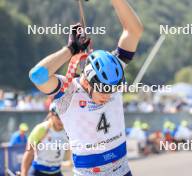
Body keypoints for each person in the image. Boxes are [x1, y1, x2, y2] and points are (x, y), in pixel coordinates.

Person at [28, 0, 143, 175]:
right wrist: (70, 50)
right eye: (104, 91)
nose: (109, 96)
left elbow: (134, 31)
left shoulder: (112, 73)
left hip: (123, 169)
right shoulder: (68, 91)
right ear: (88, 82)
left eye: (113, 91)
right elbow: (37, 76)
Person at [21, 103, 70, 176]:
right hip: (38, 172)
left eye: (63, 117)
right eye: (58, 117)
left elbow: (68, 153)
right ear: (51, 114)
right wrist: (23, 174)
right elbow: (28, 153)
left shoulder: (68, 131)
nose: (61, 121)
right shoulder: (41, 129)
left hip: (56, 171)